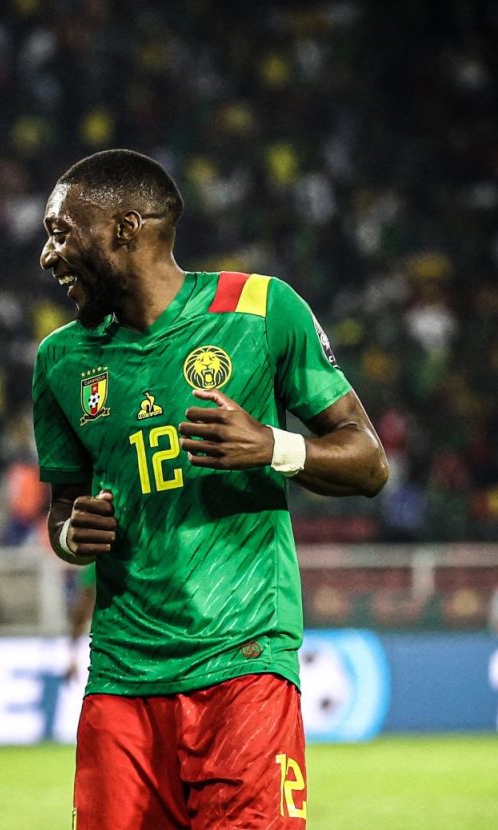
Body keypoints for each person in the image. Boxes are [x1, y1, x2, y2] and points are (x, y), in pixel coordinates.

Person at [32, 149, 388, 829]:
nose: (49, 256)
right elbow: (61, 514)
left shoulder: (261, 310)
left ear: (125, 228)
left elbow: (369, 461)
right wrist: (74, 533)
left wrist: (273, 446)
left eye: (61, 233)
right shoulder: (59, 360)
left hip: (243, 659)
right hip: (122, 676)